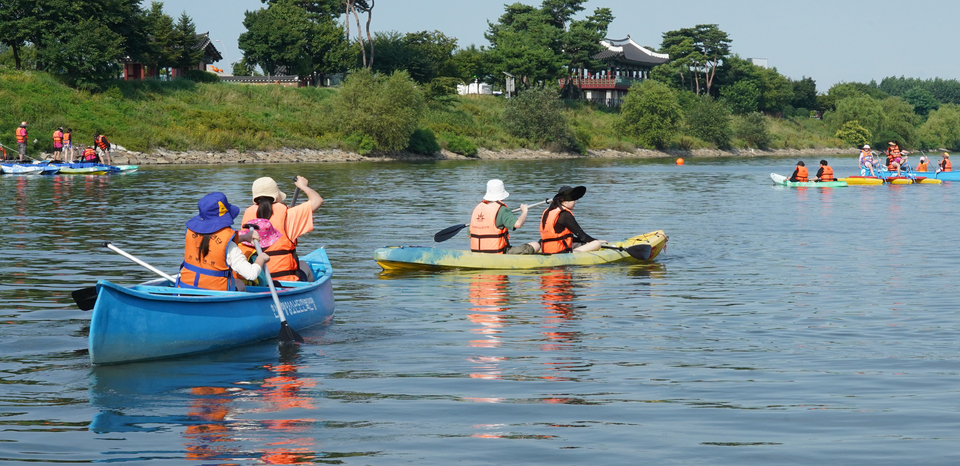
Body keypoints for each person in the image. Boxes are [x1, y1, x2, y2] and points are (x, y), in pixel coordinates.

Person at [177, 192, 269, 291]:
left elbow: (214, 243)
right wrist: (261, 258)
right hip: (215, 293)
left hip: (185, 288)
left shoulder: (190, 232)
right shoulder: (230, 246)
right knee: (239, 283)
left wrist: (244, 237)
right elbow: (251, 274)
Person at [240, 176, 323, 282]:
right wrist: (302, 186)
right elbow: (318, 200)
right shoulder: (289, 214)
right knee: (303, 264)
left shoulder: (248, 215)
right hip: (286, 279)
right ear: (276, 196)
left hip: (258, 280)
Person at [469, 179, 540, 255]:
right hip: (499, 253)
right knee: (536, 245)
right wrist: (524, 211)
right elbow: (518, 224)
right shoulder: (502, 210)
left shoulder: (477, 209)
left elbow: (469, 234)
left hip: (477, 253)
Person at [539, 185, 605, 254]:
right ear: (565, 202)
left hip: (546, 250)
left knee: (578, 243)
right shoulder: (565, 214)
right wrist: (596, 241)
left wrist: (584, 241)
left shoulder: (548, 212)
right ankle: (572, 254)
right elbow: (582, 235)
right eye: (573, 200)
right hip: (559, 252)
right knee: (596, 244)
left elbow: (567, 237)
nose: (575, 202)